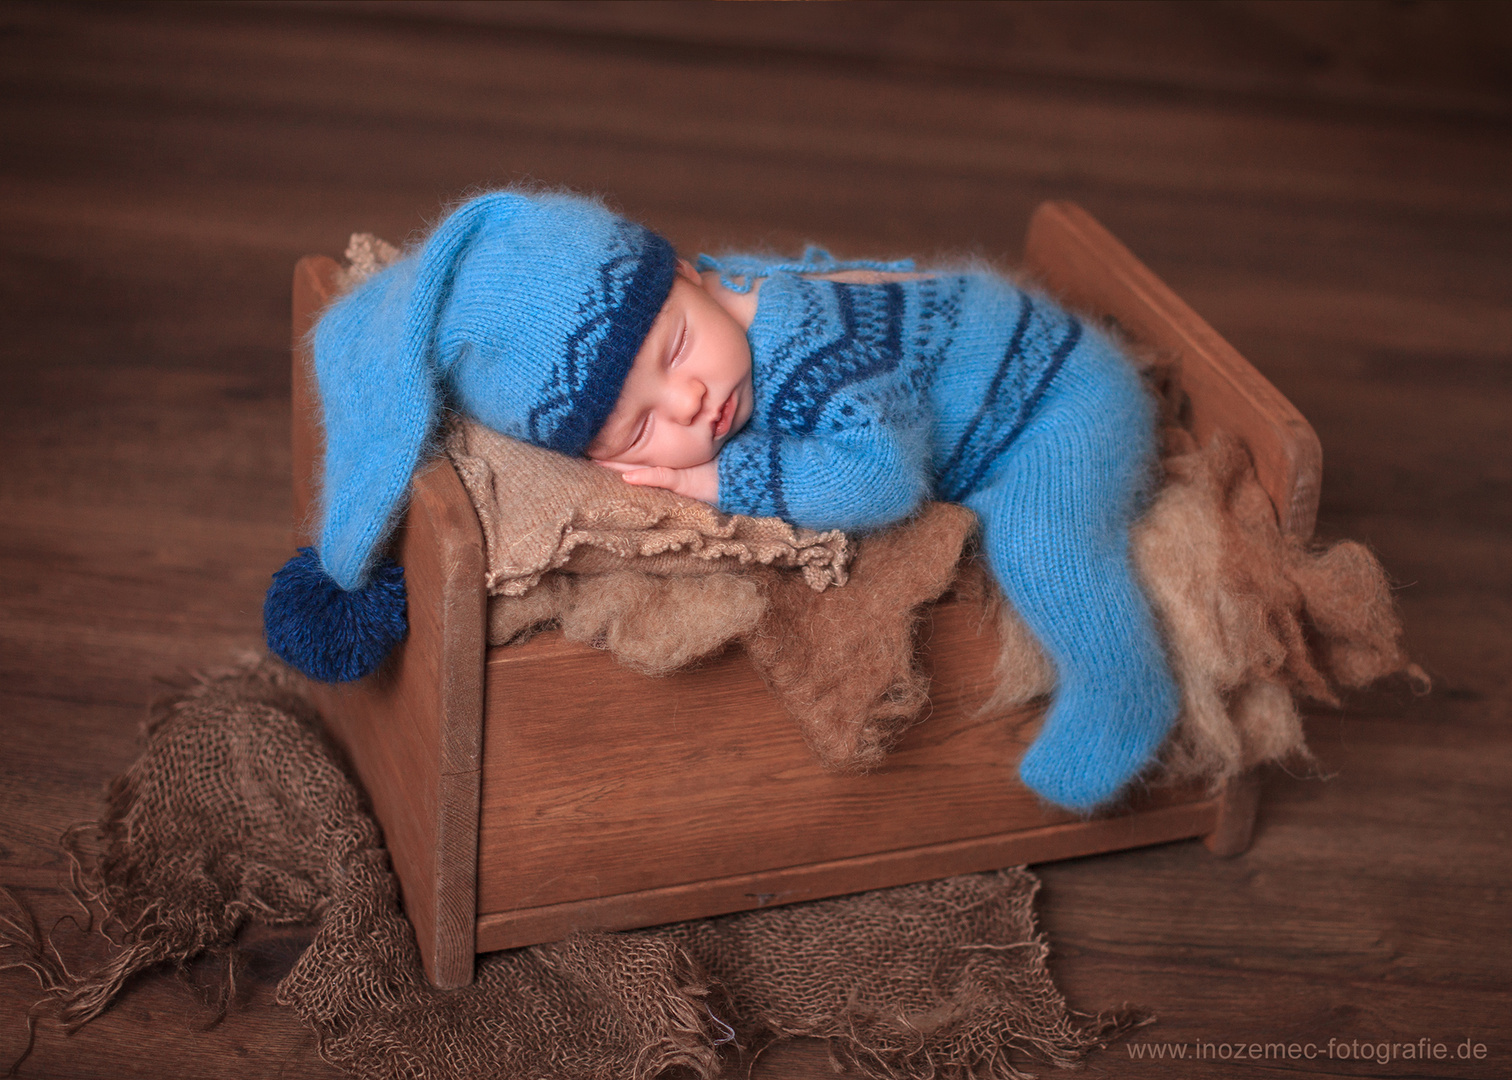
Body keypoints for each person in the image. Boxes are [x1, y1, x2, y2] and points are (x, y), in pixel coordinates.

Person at [265, 189, 1178, 812]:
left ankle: (1124, 687)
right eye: (636, 432)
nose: (691, 401)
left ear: (689, 278)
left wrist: (715, 476)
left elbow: (884, 479)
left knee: (1040, 542)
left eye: (671, 353)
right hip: (993, 384)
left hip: (1057, 397)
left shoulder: (807, 346)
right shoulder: (713, 313)